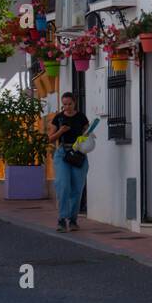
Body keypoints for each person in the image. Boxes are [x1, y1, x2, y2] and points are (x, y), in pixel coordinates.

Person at [48, 92, 90, 232]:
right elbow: (50, 138)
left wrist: (86, 138)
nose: (67, 107)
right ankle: (61, 219)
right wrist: (61, 131)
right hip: (63, 154)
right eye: (64, 104)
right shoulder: (58, 118)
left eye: (69, 104)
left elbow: (87, 133)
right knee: (63, 185)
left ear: (75, 103)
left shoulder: (81, 117)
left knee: (77, 188)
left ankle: (73, 219)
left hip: (78, 154)